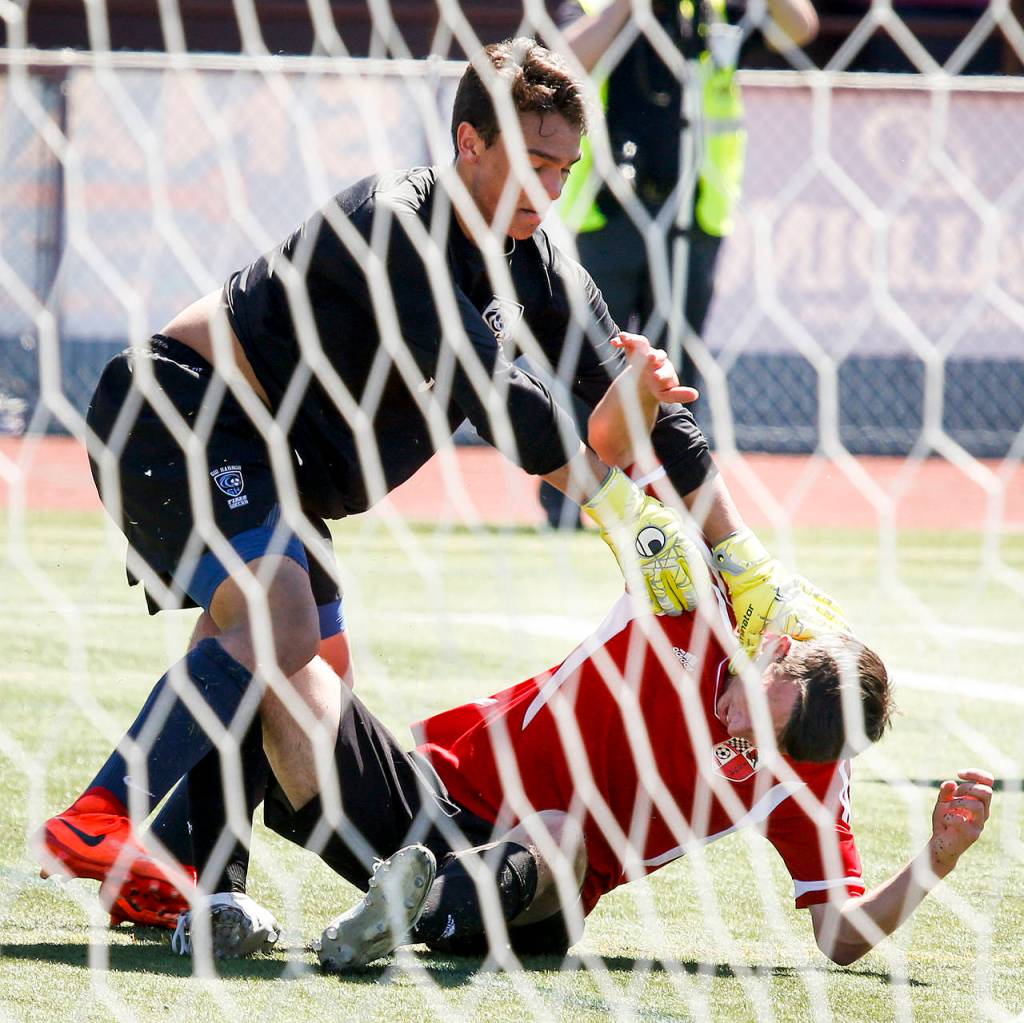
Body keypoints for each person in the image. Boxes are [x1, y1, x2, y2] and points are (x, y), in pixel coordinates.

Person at [33, 38, 842, 929]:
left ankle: (190, 881)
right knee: (281, 620)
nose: (552, 188)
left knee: (307, 683)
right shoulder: (396, 221)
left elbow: (639, 393)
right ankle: (103, 812)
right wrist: (619, 512)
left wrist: (742, 554)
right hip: (182, 411)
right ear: (469, 143)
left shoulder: (530, 259)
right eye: (534, 163)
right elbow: (495, 394)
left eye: (567, 170)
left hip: (273, 468)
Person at [167, 336, 990, 969]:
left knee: (559, 831)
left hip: (536, 895)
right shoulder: (694, 597)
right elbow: (602, 450)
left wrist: (937, 859)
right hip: (427, 796)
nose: (743, 725)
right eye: (757, 696)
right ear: (775, 648)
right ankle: (222, 903)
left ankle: (409, 911)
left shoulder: (811, 778)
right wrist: (639, 387)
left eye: (768, 739)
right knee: (269, 639)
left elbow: (839, 934)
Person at [536, 0, 818, 528]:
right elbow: (561, 61)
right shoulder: (598, 5)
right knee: (590, 360)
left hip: (695, 210)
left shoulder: (714, 9)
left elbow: (800, 27)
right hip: (609, 208)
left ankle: (675, 499)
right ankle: (573, 501)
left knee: (675, 367)